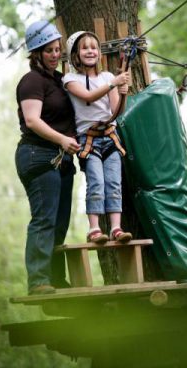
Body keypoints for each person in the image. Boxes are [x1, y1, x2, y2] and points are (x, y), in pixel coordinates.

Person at [15, 20, 80, 295]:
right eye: (49, 50)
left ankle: (54, 278)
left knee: (60, 221)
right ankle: (38, 280)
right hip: (38, 155)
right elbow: (32, 120)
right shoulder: (32, 81)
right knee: (45, 219)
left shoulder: (58, 80)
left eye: (57, 49)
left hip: (62, 160)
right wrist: (63, 140)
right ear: (37, 52)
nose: (55, 54)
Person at [63, 31, 133, 244]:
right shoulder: (70, 79)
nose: (90, 51)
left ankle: (116, 228)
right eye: (85, 47)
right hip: (89, 139)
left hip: (109, 137)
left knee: (113, 182)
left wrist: (123, 91)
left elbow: (116, 111)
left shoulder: (108, 77)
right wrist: (114, 84)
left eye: (94, 47)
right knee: (96, 182)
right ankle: (94, 228)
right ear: (75, 54)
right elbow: (88, 96)